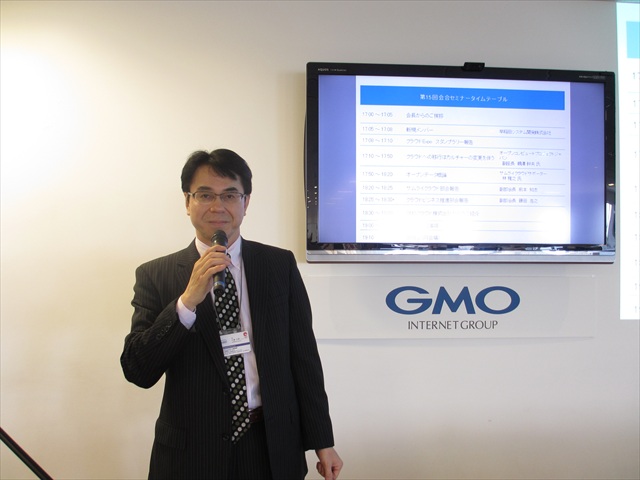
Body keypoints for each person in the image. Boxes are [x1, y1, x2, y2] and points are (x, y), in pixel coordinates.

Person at [120, 149, 343, 480]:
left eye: (229, 195)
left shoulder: (278, 265)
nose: (217, 206)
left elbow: (304, 358)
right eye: (205, 195)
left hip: (270, 445)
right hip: (192, 453)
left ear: (246, 202)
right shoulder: (155, 275)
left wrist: (322, 441)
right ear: (187, 202)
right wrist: (187, 302)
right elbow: (138, 369)